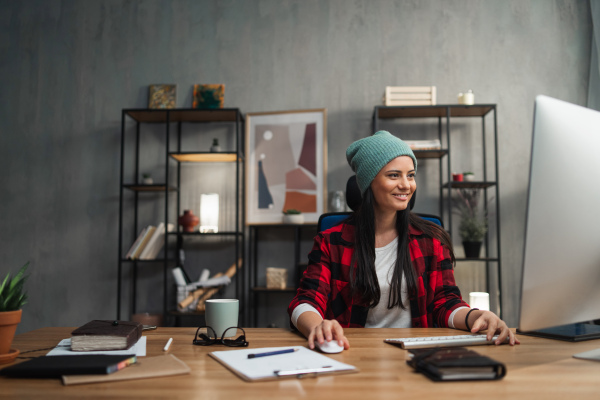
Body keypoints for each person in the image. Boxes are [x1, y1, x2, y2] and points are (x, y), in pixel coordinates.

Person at [288, 131, 519, 350]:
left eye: (410, 175)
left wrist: (475, 316)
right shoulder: (331, 241)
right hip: (352, 349)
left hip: (414, 352)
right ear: (369, 183)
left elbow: (445, 303)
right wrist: (318, 326)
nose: (406, 185)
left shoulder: (431, 240)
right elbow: (305, 301)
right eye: (393, 175)